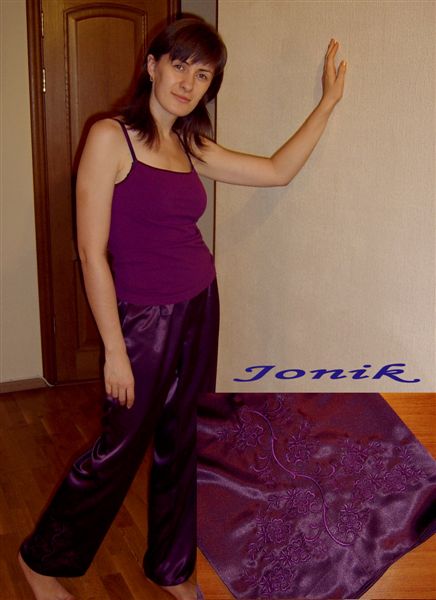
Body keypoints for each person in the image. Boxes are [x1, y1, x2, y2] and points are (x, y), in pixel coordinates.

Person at [18, 16, 346, 600]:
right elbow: (91, 253)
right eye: (179, 66)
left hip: (199, 304)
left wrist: (327, 103)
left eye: (203, 75)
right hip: (143, 321)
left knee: (185, 439)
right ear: (152, 66)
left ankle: (170, 568)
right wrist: (114, 351)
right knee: (118, 449)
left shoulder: (190, 144)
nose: (188, 83)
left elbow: (276, 172)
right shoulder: (109, 137)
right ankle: (40, 561)